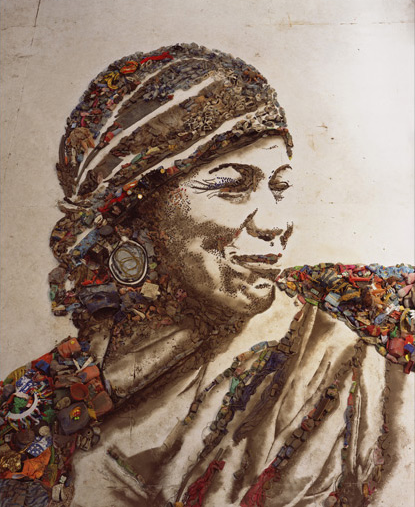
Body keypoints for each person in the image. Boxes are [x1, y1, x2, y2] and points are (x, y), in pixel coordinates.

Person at [0, 44, 413, 507]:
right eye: (232, 187)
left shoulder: (337, 354)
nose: (276, 223)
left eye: (279, 186)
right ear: (136, 212)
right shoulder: (34, 402)